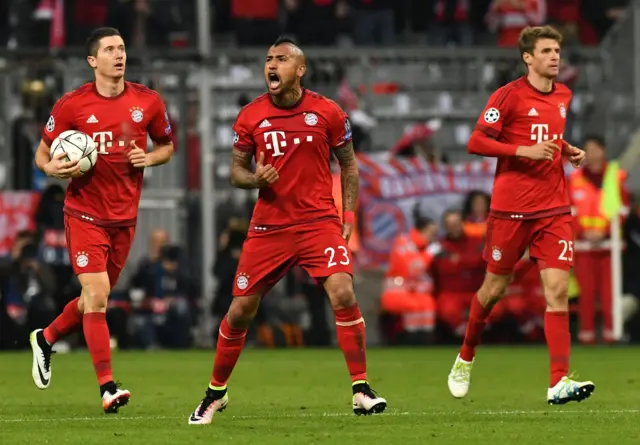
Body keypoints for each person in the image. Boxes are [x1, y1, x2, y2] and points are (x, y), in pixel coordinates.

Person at [188, 37, 387, 425]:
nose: (272, 65)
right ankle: (215, 392)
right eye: (268, 59)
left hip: (318, 223)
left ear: (300, 69)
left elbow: (348, 165)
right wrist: (253, 179)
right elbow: (235, 172)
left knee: (344, 292)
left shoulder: (327, 111)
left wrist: (348, 218)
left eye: (281, 59)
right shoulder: (250, 116)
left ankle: (361, 388)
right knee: (241, 309)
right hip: (269, 227)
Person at [446, 25, 595, 405]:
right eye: (546, 51)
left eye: (557, 50)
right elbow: (476, 141)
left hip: (553, 209)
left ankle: (558, 382)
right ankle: (465, 355)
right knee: (493, 290)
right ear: (527, 57)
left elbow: (548, 133)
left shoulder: (563, 94)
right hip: (510, 211)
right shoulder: (508, 95)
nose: (555, 56)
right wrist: (523, 152)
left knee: (558, 291)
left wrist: (565, 149)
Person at [30, 27, 174, 413]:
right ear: (93, 60)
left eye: (122, 48)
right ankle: (108, 387)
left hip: (124, 218)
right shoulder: (72, 105)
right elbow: (42, 155)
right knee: (97, 297)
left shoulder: (148, 102)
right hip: (84, 214)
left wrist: (150, 158)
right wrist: (53, 169)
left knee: (93, 298)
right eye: (110, 49)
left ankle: (45, 338)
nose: (118, 54)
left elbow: (166, 146)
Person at [569, 135, 628, 344]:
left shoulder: (616, 175)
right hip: (584, 246)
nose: (591, 153)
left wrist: (606, 233)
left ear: (603, 151)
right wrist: (584, 233)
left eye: (595, 149)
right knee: (586, 292)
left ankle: (612, 335)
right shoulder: (574, 179)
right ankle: (586, 336)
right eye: (587, 149)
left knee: (609, 293)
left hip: (609, 246)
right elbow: (570, 212)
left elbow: (622, 209)